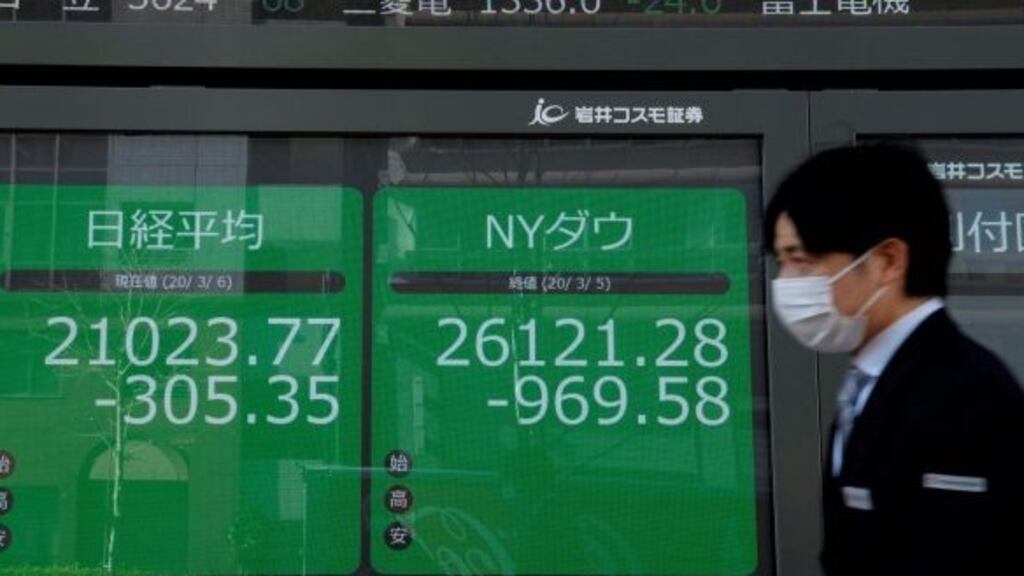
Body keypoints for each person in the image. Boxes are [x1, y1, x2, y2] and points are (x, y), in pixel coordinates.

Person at [766, 143, 1024, 576]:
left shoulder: (965, 394)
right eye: (782, 262)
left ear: (888, 260)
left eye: (804, 261)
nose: (786, 283)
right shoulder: (870, 382)